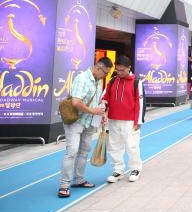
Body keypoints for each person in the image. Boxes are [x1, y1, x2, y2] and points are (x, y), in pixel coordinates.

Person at [57, 57, 113, 198]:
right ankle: (64, 185)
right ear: (99, 68)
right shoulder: (82, 79)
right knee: (72, 151)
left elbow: (97, 101)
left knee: (84, 151)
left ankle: (79, 179)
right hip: (76, 120)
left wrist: (102, 113)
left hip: (89, 122)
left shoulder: (98, 81)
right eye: (106, 72)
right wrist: (93, 111)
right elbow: (76, 102)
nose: (106, 76)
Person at [101, 55, 144, 183]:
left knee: (132, 146)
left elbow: (140, 103)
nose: (119, 73)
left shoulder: (137, 82)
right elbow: (105, 97)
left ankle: (135, 168)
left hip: (130, 120)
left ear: (129, 68)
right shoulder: (113, 80)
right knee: (114, 146)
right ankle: (118, 170)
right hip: (113, 119)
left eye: (122, 70)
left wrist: (139, 121)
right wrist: (103, 108)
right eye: (117, 70)